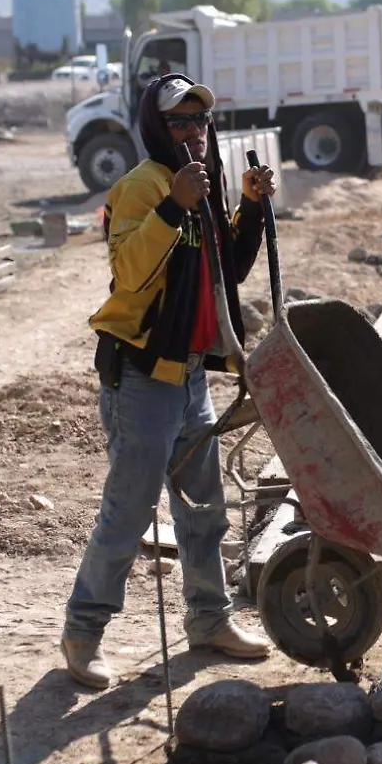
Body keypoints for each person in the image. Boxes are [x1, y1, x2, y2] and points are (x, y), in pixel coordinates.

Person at [65, 73, 278, 688]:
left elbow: (226, 272)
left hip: (188, 375)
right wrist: (172, 205)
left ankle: (209, 619)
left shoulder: (201, 189)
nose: (194, 132)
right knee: (130, 511)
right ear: (157, 128)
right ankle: (83, 631)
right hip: (141, 376)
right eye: (180, 122)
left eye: (201, 121)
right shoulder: (140, 188)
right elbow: (130, 273)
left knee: (204, 506)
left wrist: (251, 207)